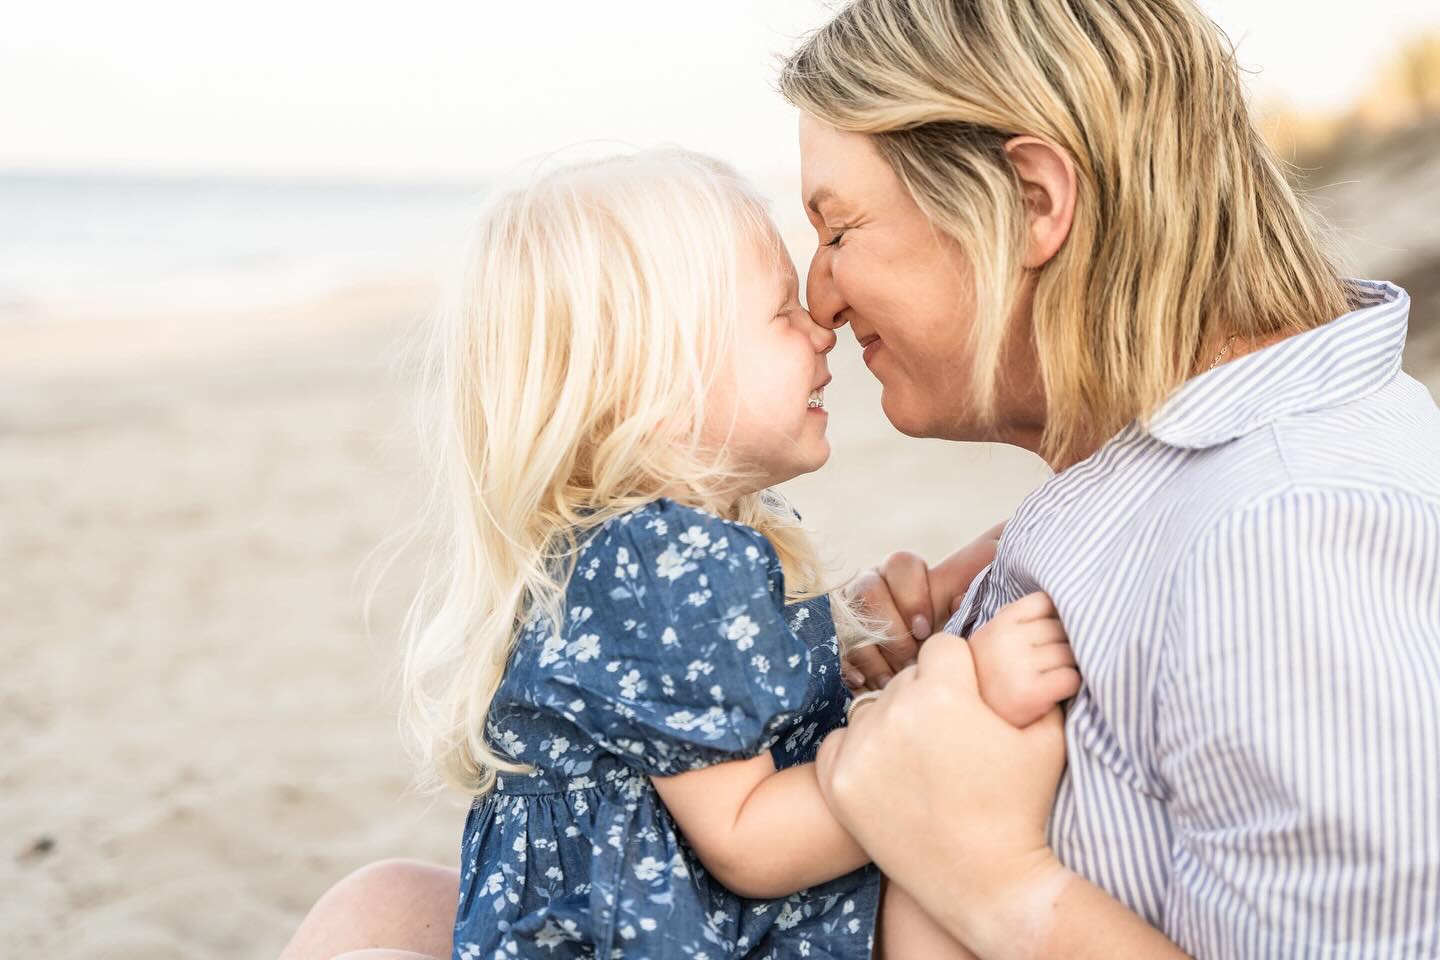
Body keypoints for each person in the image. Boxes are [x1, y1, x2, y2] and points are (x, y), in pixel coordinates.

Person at [283, 0, 1440, 955]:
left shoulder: (1296, 528)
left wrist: (998, 880)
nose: (823, 301)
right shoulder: (1156, 460)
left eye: (839, 231)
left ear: (1033, 203)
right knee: (377, 914)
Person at [283, 148, 1079, 960]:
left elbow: (736, 700)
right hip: (665, 932)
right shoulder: (661, 563)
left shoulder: (674, 540)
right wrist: (952, 716)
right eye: (780, 313)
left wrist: (976, 565)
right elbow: (751, 842)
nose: (821, 327)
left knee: (372, 901)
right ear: (661, 392)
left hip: (652, 913)